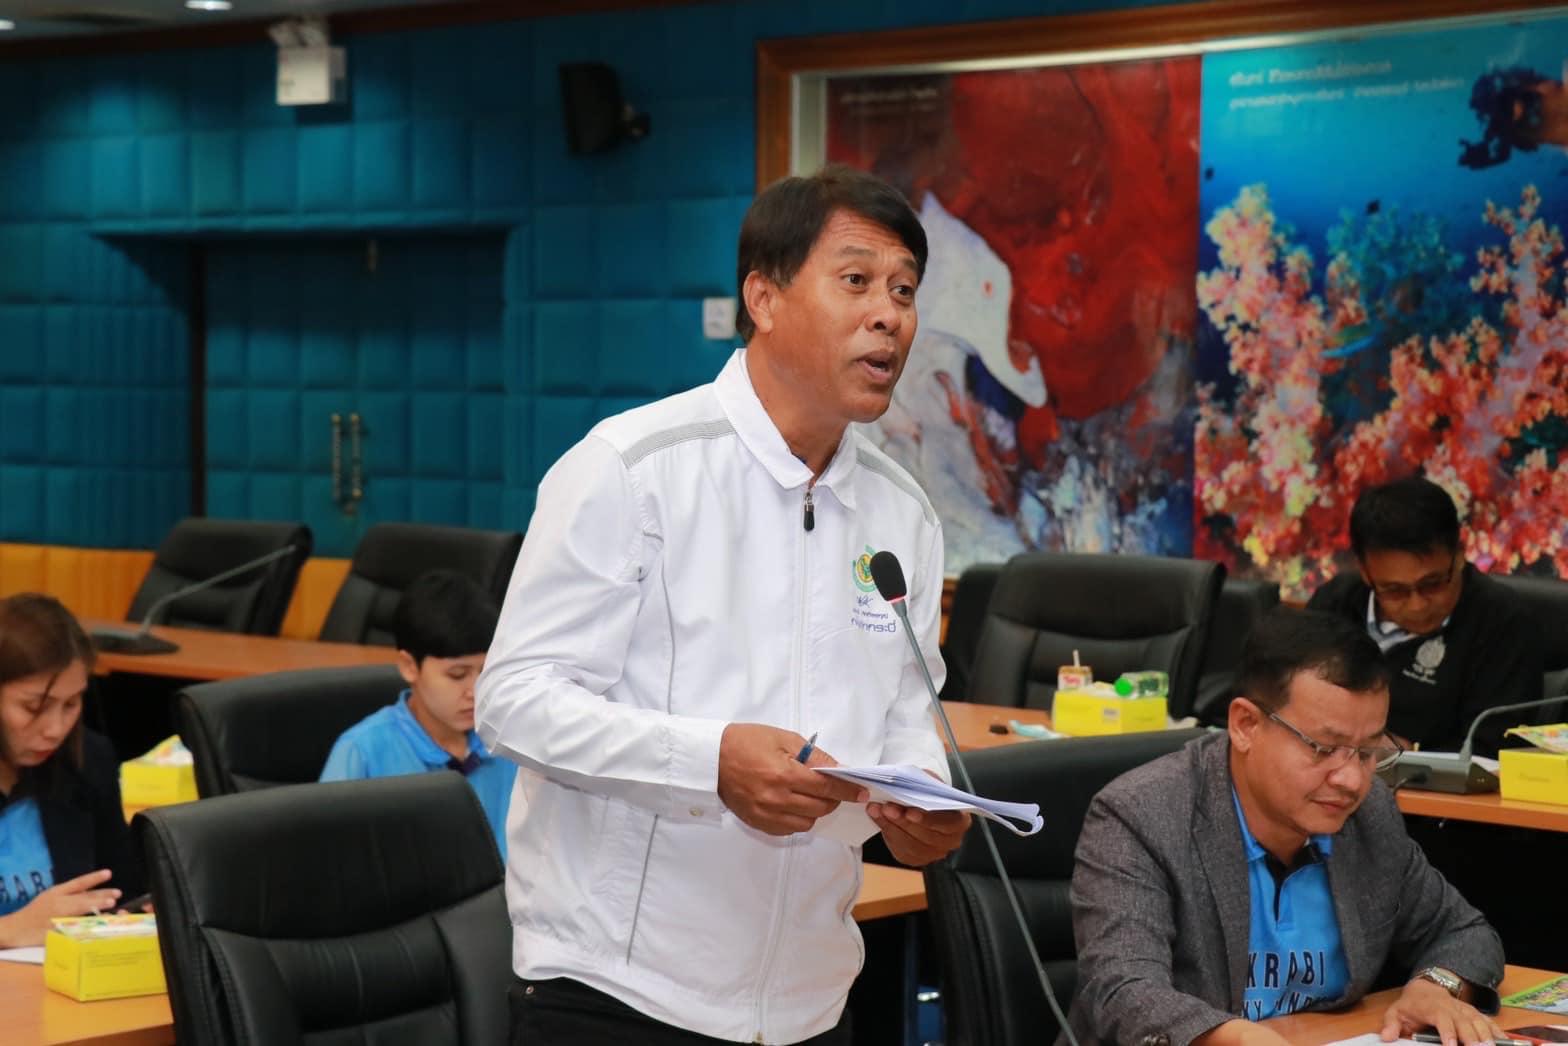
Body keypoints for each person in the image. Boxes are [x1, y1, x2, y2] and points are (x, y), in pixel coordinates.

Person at [476, 164, 971, 1046]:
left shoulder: (903, 513)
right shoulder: (633, 469)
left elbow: (907, 709)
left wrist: (921, 799)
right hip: (619, 992)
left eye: (903, 291)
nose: (888, 315)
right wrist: (711, 762)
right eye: (856, 280)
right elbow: (513, 702)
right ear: (764, 298)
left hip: (812, 999)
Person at [1062, 607, 1505, 1046]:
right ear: (1246, 725)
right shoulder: (1142, 816)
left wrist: (1436, 986)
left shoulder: (1368, 815)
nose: (1351, 780)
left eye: (1369, 752)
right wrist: (1239, 1039)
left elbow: (1463, 932)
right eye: (1323, 748)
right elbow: (1121, 991)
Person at [1306, 474, 1544, 756]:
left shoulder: (1503, 622)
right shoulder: (1334, 603)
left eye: (1432, 584)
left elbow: (1495, 748)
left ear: (1459, 555)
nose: (1417, 605)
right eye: (1394, 590)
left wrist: (1406, 753)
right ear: (1365, 572)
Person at [320, 570, 512, 855]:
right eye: (457, 675)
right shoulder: (362, 752)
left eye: (486, 672)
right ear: (409, 667)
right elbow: (329, 858)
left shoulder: (510, 741)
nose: (476, 692)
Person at [0, 593, 141, 947]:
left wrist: (137, 914)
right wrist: (9, 930)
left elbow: (124, 890)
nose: (56, 729)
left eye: (72, 704)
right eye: (34, 707)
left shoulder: (87, 759)